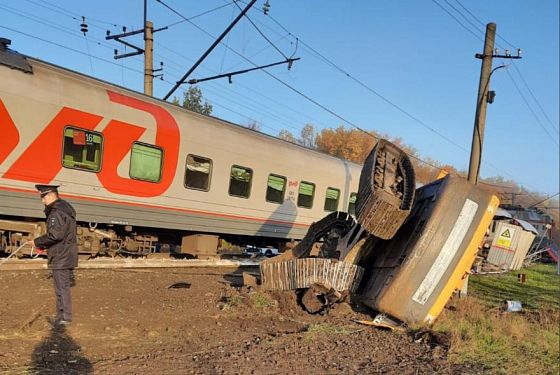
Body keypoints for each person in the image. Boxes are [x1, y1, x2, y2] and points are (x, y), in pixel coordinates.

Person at [27, 184, 78, 326]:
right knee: (63, 287)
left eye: (43, 197)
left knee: (61, 288)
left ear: (50, 195)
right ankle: (63, 316)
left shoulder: (56, 213)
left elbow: (55, 235)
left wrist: (37, 242)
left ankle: (64, 318)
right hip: (65, 253)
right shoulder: (65, 209)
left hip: (61, 255)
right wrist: (43, 245)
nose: (42, 201)